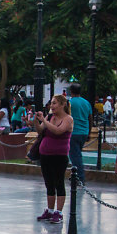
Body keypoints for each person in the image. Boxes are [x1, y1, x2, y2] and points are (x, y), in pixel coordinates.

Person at [33, 95, 73, 225]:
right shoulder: (50, 117)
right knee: (49, 183)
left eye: (54, 103)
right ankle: (50, 210)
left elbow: (58, 131)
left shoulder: (68, 119)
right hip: (45, 154)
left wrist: (44, 121)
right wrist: (36, 121)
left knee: (58, 182)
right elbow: (40, 130)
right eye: (51, 103)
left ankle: (59, 212)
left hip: (59, 156)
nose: (52, 106)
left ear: (62, 105)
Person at [67, 84, 92, 183]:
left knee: (75, 156)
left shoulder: (69, 103)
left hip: (73, 132)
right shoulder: (86, 103)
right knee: (77, 154)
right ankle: (77, 175)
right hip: (84, 132)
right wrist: (89, 132)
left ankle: (79, 178)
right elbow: (90, 118)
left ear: (71, 91)